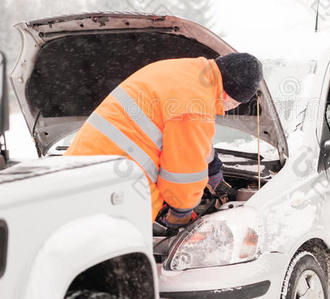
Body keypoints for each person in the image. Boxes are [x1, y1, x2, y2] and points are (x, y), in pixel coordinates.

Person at [65, 53, 263, 228]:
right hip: (115, 190)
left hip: (75, 171)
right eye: (235, 104)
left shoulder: (184, 72)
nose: (228, 108)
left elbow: (187, 138)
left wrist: (213, 168)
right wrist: (181, 213)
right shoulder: (196, 105)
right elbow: (183, 172)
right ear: (229, 95)